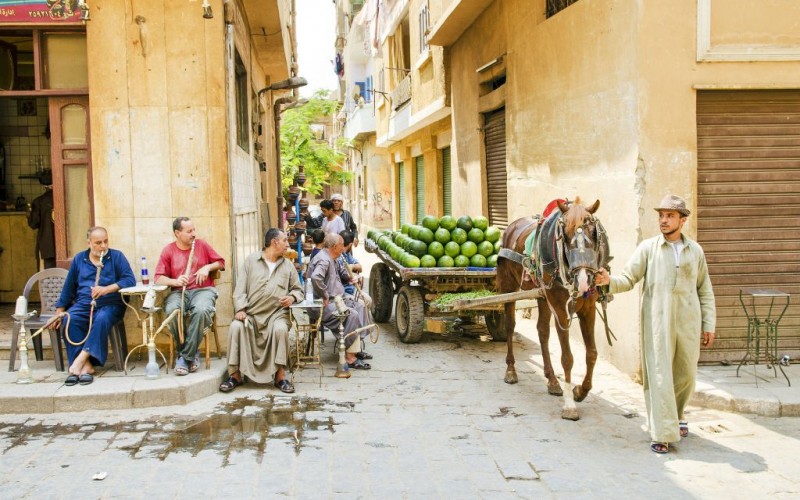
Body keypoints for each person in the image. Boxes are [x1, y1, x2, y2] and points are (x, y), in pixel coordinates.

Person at [595, 194, 716, 455]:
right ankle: (662, 432)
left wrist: (709, 323)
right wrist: (608, 281)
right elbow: (628, 278)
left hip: (688, 320)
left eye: (670, 215)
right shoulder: (648, 248)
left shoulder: (695, 251)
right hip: (657, 321)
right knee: (660, 375)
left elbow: (704, 289)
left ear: (682, 220)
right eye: (661, 215)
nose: (663, 220)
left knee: (686, 374)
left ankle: (678, 415)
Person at [220, 228, 304, 394]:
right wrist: (241, 309)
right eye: (285, 241)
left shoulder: (288, 266)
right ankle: (235, 376)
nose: (288, 244)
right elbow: (240, 288)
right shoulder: (251, 261)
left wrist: (292, 298)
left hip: (276, 315)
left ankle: (280, 376)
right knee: (236, 327)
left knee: (280, 330)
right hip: (251, 314)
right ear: (274, 242)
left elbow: (298, 290)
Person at [54, 227, 136, 386]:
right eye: (98, 243)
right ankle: (87, 367)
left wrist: (107, 289)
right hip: (84, 303)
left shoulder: (116, 256)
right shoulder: (79, 259)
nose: (103, 246)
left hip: (111, 303)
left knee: (102, 318)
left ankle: (79, 361)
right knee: (70, 320)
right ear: (89, 243)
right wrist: (60, 312)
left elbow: (129, 280)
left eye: (106, 241)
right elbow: (69, 288)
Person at [155, 217, 225, 376]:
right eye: (189, 231)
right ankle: (191, 355)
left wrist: (207, 267)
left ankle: (185, 358)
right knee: (172, 311)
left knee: (201, 310)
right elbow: (158, 278)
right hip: (179, 291)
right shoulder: (168, 250)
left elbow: (221, 262)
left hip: (203, 290)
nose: (194, 234)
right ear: (177, 233)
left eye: (194, 229)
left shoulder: (202, 245)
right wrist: (175, 281)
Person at [309, 233, 372, 369]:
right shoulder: (323, 260)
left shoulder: (334, 258)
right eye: (342, 245)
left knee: (361, 306)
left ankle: (354, 348)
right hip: (323, 304)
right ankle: (349, 357)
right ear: (334, 246)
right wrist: (324, 295)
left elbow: (341, 273)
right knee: (352, 314)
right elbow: (315, 278)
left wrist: (350, 278)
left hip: (338, 299)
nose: (344, 248)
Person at [27, 170, 56, 269]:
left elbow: (33, 224)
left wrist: (28, 214)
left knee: (48, 276)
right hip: (67, 246)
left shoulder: (38, 202)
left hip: (47, 245)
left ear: (43, 185)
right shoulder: (65, 198)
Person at [338, 230, 362, 296]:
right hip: (343, 291)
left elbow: (360, 267)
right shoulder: (338, 257)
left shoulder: (347, 254)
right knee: (367, 301)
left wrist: (352, 266)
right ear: (350, 245)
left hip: (349, 289)